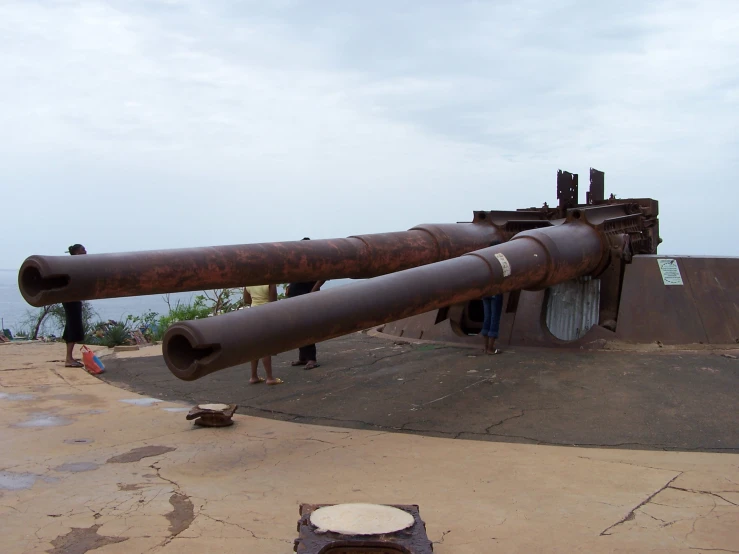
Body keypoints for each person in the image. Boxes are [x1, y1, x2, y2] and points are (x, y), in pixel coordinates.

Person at [286, 237, 325, 370]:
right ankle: (303, 357)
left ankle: (311, 359)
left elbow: (323, 277)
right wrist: (289, 288)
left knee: (307, 326)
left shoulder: (316, 261)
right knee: (298, 328)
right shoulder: (299, 261)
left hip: (307, 296)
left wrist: (312, 292)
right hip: (295, 295)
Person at [243, 284, 283, 385]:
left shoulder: (249, 282)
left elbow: (246, 300)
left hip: (253, 313)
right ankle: (269, 378)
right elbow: (273, 301)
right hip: (266, 314)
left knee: (255, 345)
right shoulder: (270, 282)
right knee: (266, 346)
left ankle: (254, 376)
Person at [63, 244, 87, 367]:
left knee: (71, 327)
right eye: (83, 250)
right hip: (71, 299)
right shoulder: (73, 264)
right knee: (73, 327)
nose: (86, 251)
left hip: (71, 298)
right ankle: (68, 359)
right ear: (77, 253)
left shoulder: (71, 264)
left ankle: (69, 357)